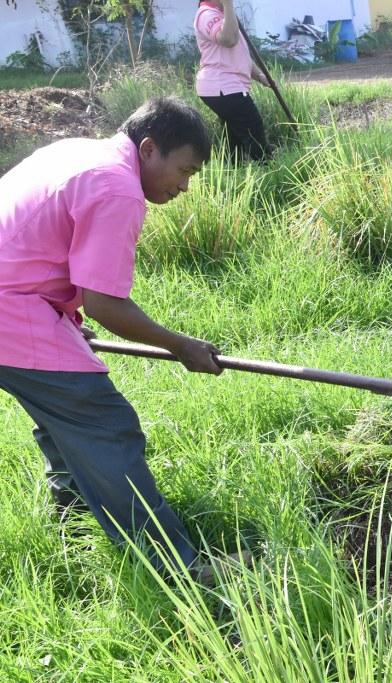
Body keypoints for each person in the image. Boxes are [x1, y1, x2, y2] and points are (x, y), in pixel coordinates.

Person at [0, 97, 230, 579]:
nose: (184, 187)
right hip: (10, 315)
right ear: (149, 149)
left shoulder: (78, 152)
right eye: (184, 171)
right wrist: (181, 345)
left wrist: (64, 317)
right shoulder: (117, 188)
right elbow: (105, 306)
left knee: (61, 413)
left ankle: (74, 517)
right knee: (103, 424)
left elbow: (35, 247)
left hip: (19, 303)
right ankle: (180, 568)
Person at [194, 0, 271, 162]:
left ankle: (234, 171)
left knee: (234, 134)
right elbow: (228, 39)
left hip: (225, 86)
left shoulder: (222, 15)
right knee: (252, 127)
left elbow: (240, 56)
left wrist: (261, 77)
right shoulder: (206, 14)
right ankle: (269, 168)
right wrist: (228, 5)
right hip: (222, 85)